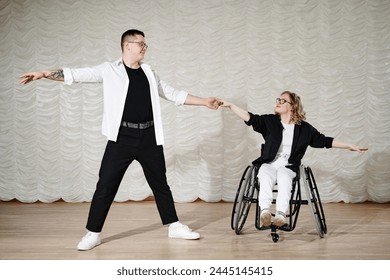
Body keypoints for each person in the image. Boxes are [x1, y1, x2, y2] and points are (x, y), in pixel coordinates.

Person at [20, 29, 221, 250]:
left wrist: (205, 101)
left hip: (149, 137)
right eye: (141, 44)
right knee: (105, 185)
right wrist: (44, 73)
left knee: (160, 184)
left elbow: (173, 94)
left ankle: (174, 226)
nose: (145, 48)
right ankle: (93, 233)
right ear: (127, 46)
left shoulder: (149, 72)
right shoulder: (109, 70)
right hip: (122, 138)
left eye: (145, 44)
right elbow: (78, 74)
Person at [220, 91, 367, 227]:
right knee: (264, 175)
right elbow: (249, 117)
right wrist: (231, 106)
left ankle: (281, 214)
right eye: (278, 99)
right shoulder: (270, 121)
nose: (278, 102)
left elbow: (324, 141)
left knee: (284, 177)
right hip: (269, 163)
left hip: (288, 165)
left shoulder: (304, 129)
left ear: (292, 106)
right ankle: (265, 211)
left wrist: (348, 145)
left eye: (283, 100)